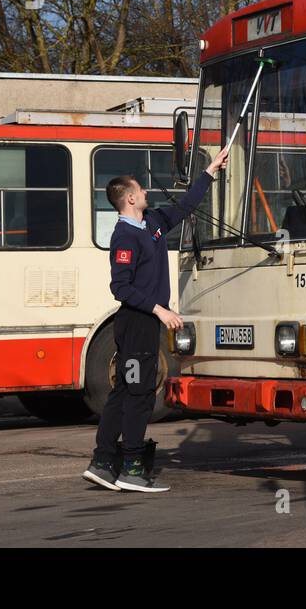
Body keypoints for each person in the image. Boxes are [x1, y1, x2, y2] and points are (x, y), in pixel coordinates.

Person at [81, 146, 229, 492]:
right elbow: (120, 287)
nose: (146, 192)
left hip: (144, 324)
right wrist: (160, 309)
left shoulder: (151, 224)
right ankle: (132, 468)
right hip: (136, 324)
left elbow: (184, 207)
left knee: (124, 392)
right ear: (130, 199)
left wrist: (209, 172)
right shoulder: (125, 237)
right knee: (139, 394)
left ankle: (103, 463)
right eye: (141, 190)